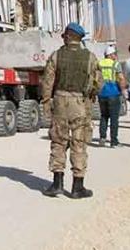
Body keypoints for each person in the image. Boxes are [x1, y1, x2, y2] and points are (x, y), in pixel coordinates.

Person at [41, 22, 101, 197]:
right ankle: (77, 187)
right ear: (79, 38)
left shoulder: (56, 56)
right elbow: (98, 83)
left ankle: (57, 184)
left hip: (60, 101)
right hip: (80, 103)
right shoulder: (90, 57)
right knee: (79, 143)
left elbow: (47, 82)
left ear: (67, 36)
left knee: (59, 141)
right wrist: (91, 95)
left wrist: (46, 101)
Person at [97, 45, 125, 147]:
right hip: (113, 92)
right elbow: (121, 78)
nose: (115, 56)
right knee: (114, 118)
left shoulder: (99, 63)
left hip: (102, 93)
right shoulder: (116, 64)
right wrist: (123, 91)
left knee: (104, 116)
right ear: (110, 54)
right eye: (114, 54)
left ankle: (102, 138)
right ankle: (114, 141)